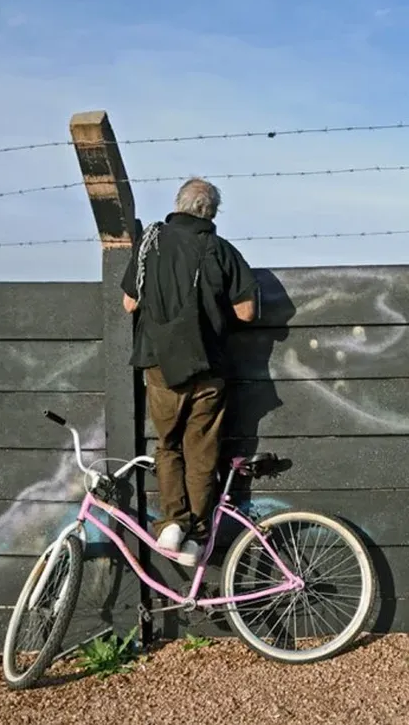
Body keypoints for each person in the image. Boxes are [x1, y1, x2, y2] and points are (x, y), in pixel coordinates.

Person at [120, 177, 259, 566]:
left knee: (168, 445)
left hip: (161, 365)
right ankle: (197, 537)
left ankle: (172, 525)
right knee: (202, 452)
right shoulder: (221, 250)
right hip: (208, 367)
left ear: (178, 204)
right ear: (211, 212)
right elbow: (247, 311)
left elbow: (129, 303)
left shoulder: (151, 243)